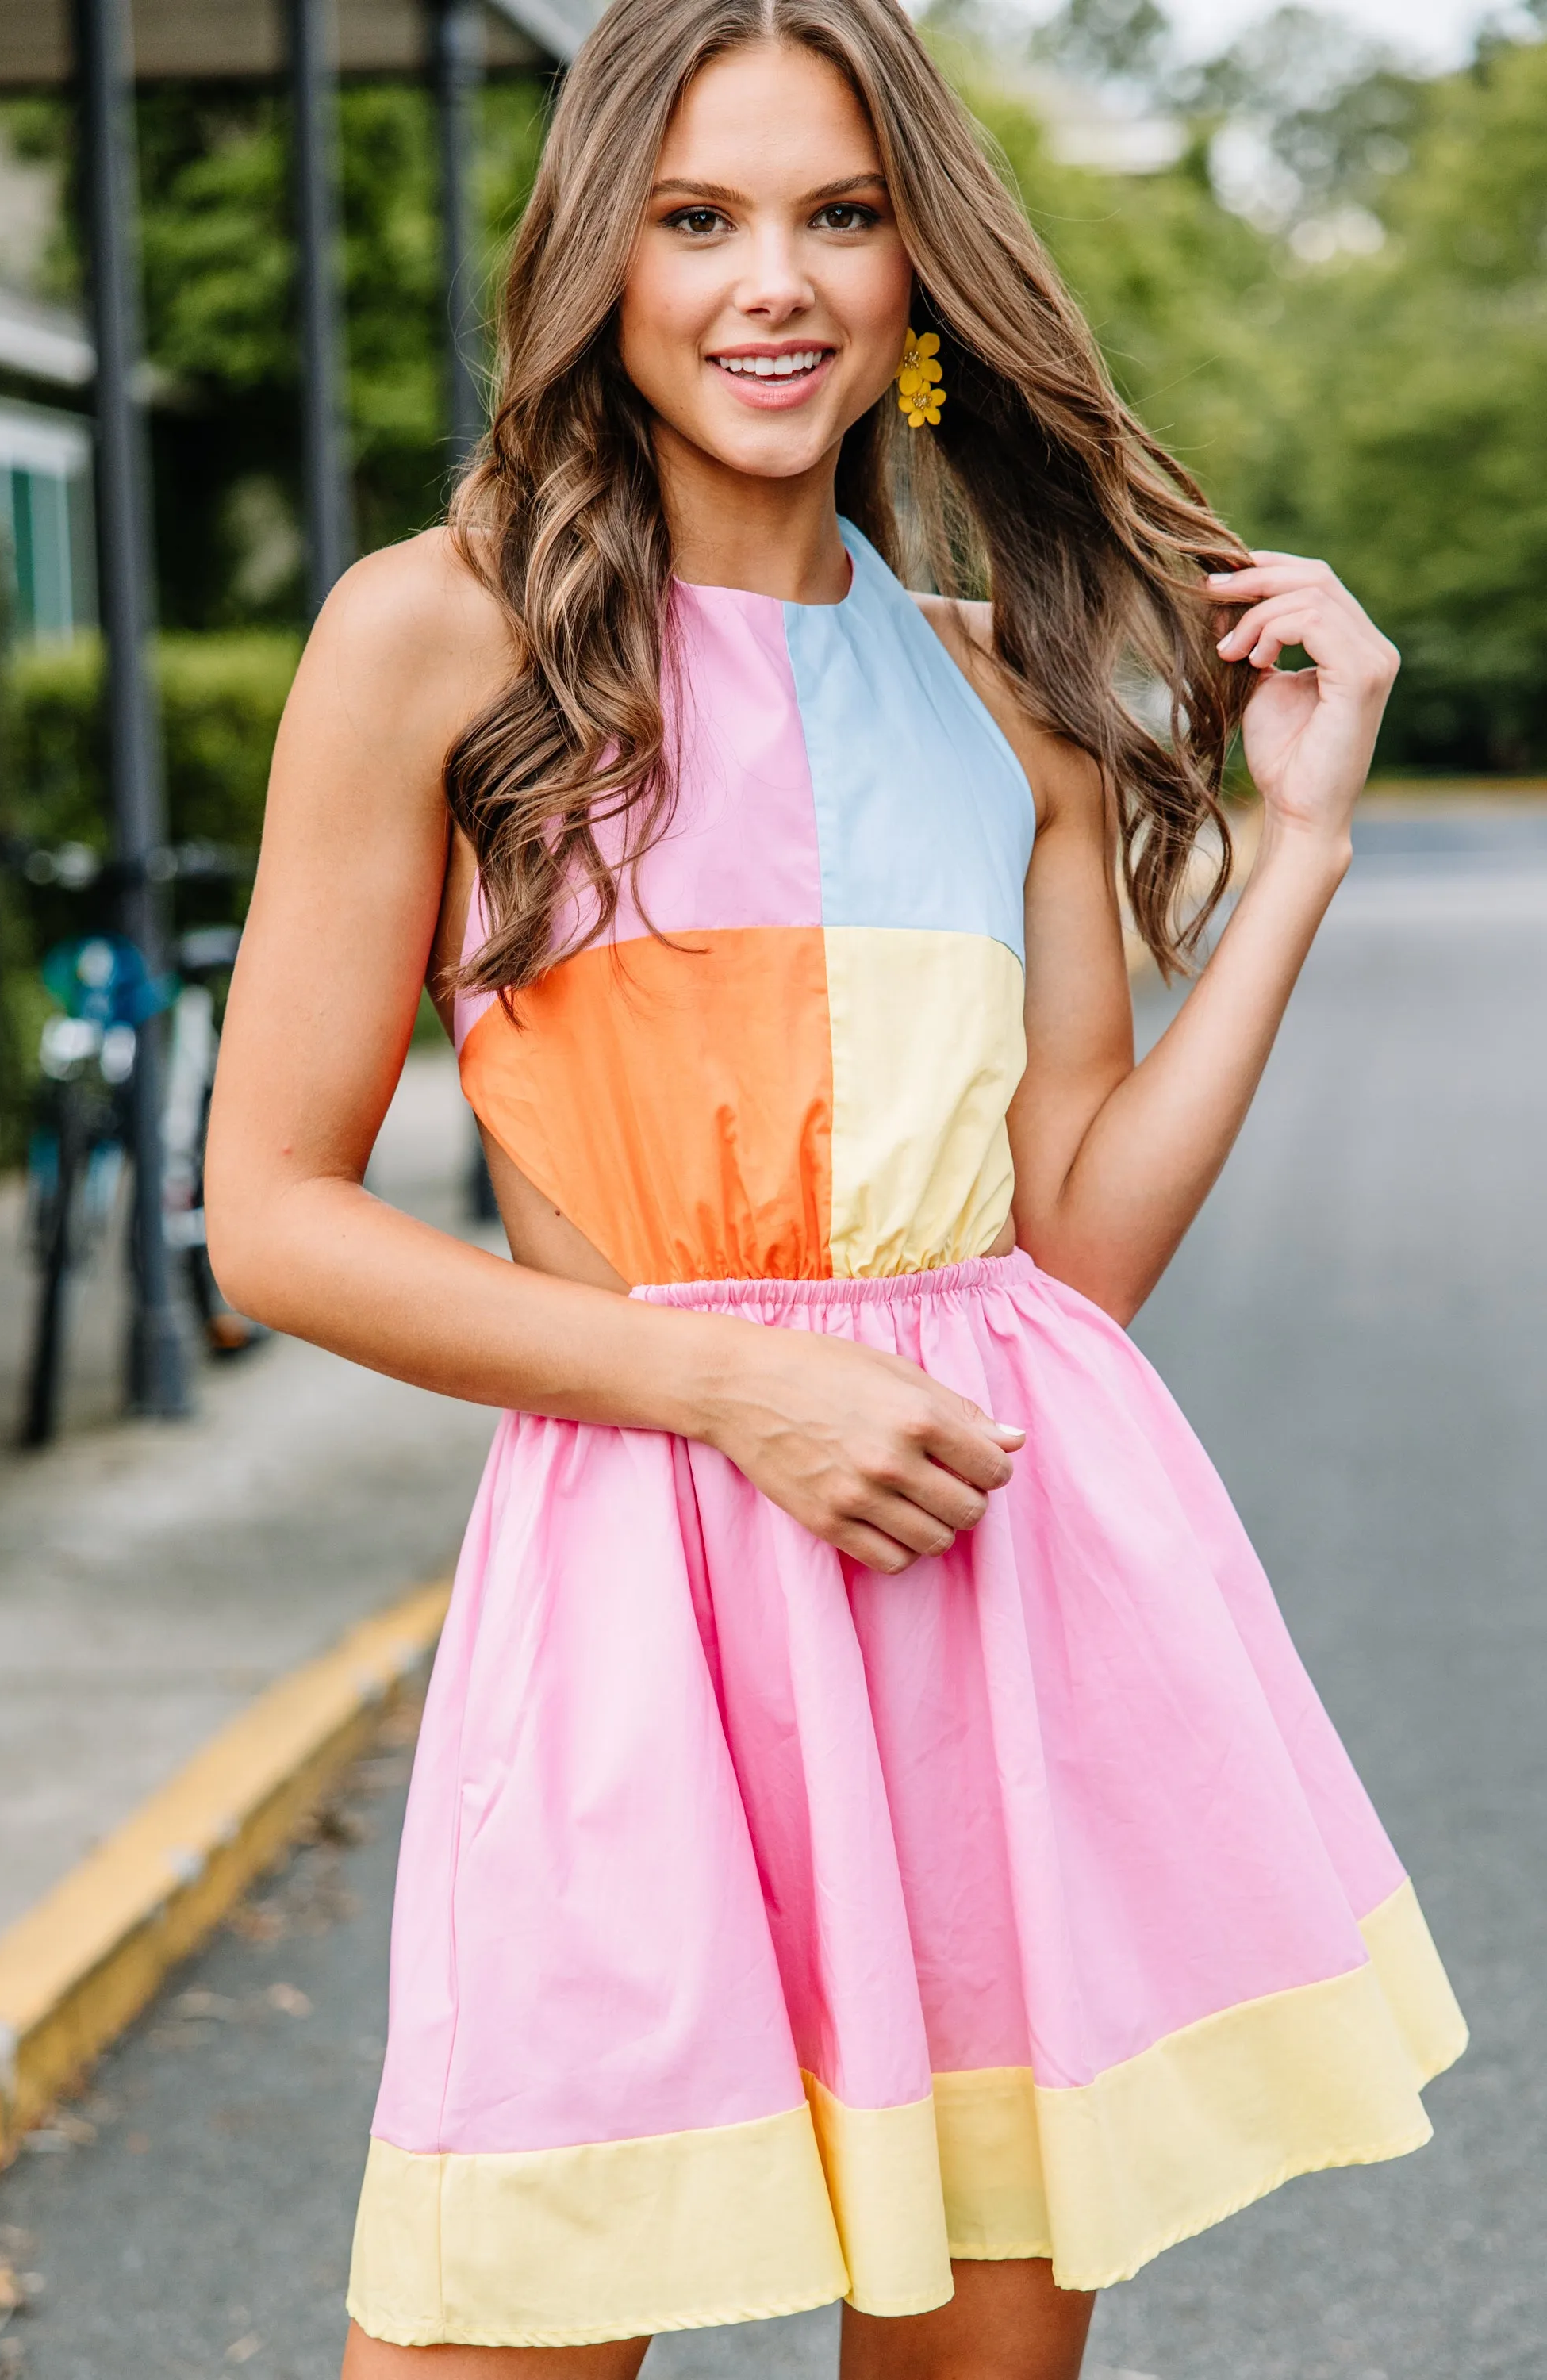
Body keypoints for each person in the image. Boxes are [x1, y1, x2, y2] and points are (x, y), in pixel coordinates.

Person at [206, 2, 1466, 2373]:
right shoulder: (434, 637)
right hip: (641, 1603)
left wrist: (1296, 853)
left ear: (917, 287)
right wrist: (731, 1388)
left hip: (987, 1598)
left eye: (837, 215)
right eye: (696, 218)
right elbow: (271, 1214)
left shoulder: (1014, 704)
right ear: (602, 261)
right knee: (509, 2325)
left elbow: (1068, 1254)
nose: (766, 282)